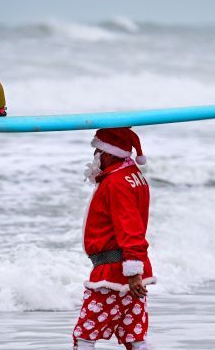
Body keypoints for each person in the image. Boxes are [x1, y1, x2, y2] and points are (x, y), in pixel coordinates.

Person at [72, 127, 155, 350]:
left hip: (115, 274)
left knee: (85, 336)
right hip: (130, 269)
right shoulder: (134, 175)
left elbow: (130, 227)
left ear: (108, 154)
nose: (93, 158)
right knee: (134, 337)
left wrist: (133, 273)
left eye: (96, 152)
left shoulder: (116, 183)